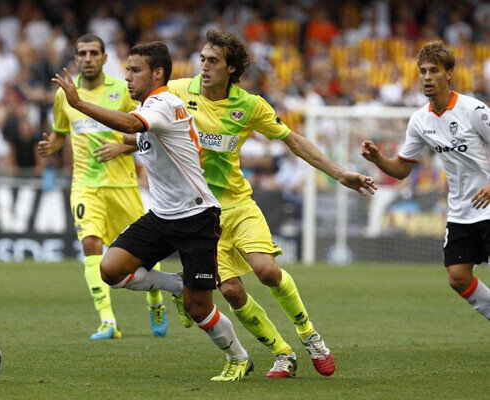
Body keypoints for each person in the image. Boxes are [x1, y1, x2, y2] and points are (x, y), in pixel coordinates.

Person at [167, 29, 376, 378]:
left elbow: (294, 141)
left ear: (232, 68)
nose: (204, 66)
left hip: (238, 206)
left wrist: (339, 173)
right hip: (200, 216)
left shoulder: (249, 105)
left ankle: (311, 336)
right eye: (202, 59)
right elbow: (140, 120)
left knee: (266, 271)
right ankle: (283, 353)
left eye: (213, 61)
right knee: (232, 292)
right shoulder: (176, 92)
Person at [52, 41, 253, 381]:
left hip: (196, 218)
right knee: (111, 269)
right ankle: (174, 286)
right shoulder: (152, 108)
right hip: (162, 216)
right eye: (126, 70)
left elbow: (132, 127)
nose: (127, 77)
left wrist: (78, 103)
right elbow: (147, 138)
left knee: (199, 308)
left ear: (157, 73)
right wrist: (121, 147)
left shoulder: (162, 103)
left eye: (135, 71)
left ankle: (238, 357)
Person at [37, 35, 168, 340]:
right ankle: (108, 321)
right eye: (81, 53)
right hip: (85, 184)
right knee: (90, 244)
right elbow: (60, 132)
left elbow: (146, 135)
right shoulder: (65, 96)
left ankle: (155, 300)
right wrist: (51, 145)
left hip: (121, 184)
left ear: (104, 58)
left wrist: (120, 150)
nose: (87, 58)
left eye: (93, 53)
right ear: (76, 58)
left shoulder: (123, 91)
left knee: (146, 252)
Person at [362, 40, 490, 322]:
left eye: (434, 70)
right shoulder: (420, 120)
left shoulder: (474, 110)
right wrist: (377, 159)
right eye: (423, 71)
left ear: (449, 74)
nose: (427, 77)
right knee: (458, 278)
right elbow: (401, 170)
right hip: (461, 210)